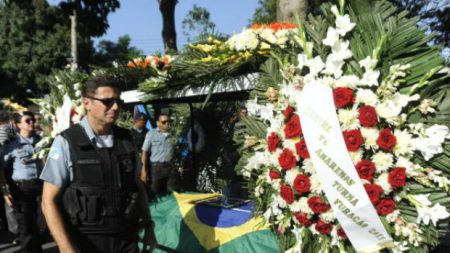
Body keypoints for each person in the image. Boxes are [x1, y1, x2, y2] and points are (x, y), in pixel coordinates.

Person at [40, 76, 156, 253]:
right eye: (107, 101)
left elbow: (138, 187)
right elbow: (48, 201)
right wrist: (65, 247)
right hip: (85, 242)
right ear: (87, 103)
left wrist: (149, 227)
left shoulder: (126, 140)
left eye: (118, 101)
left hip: (126, 238)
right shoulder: (66, 142)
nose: (115, 107)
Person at [0, 111, 44, 252]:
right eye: (28, 121)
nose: (32, 122)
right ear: (19, 125)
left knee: (41, 225)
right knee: (26, 226)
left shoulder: (42, 141)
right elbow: (2, 169)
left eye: (32, 120)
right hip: (22, 190)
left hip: (41, 187)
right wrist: (5, 192)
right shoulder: (11, 146)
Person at [140, 113, 178, 196]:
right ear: (158, 123)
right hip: (156, 168)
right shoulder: (151, 134)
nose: (167, 123)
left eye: (169, 121)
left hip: (170, 167)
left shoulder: (174, 134)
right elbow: (144, 152)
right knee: (155, 194)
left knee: (172, 194)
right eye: (164, 122)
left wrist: (180, 165)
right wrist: (143, 170)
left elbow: (178, 151)